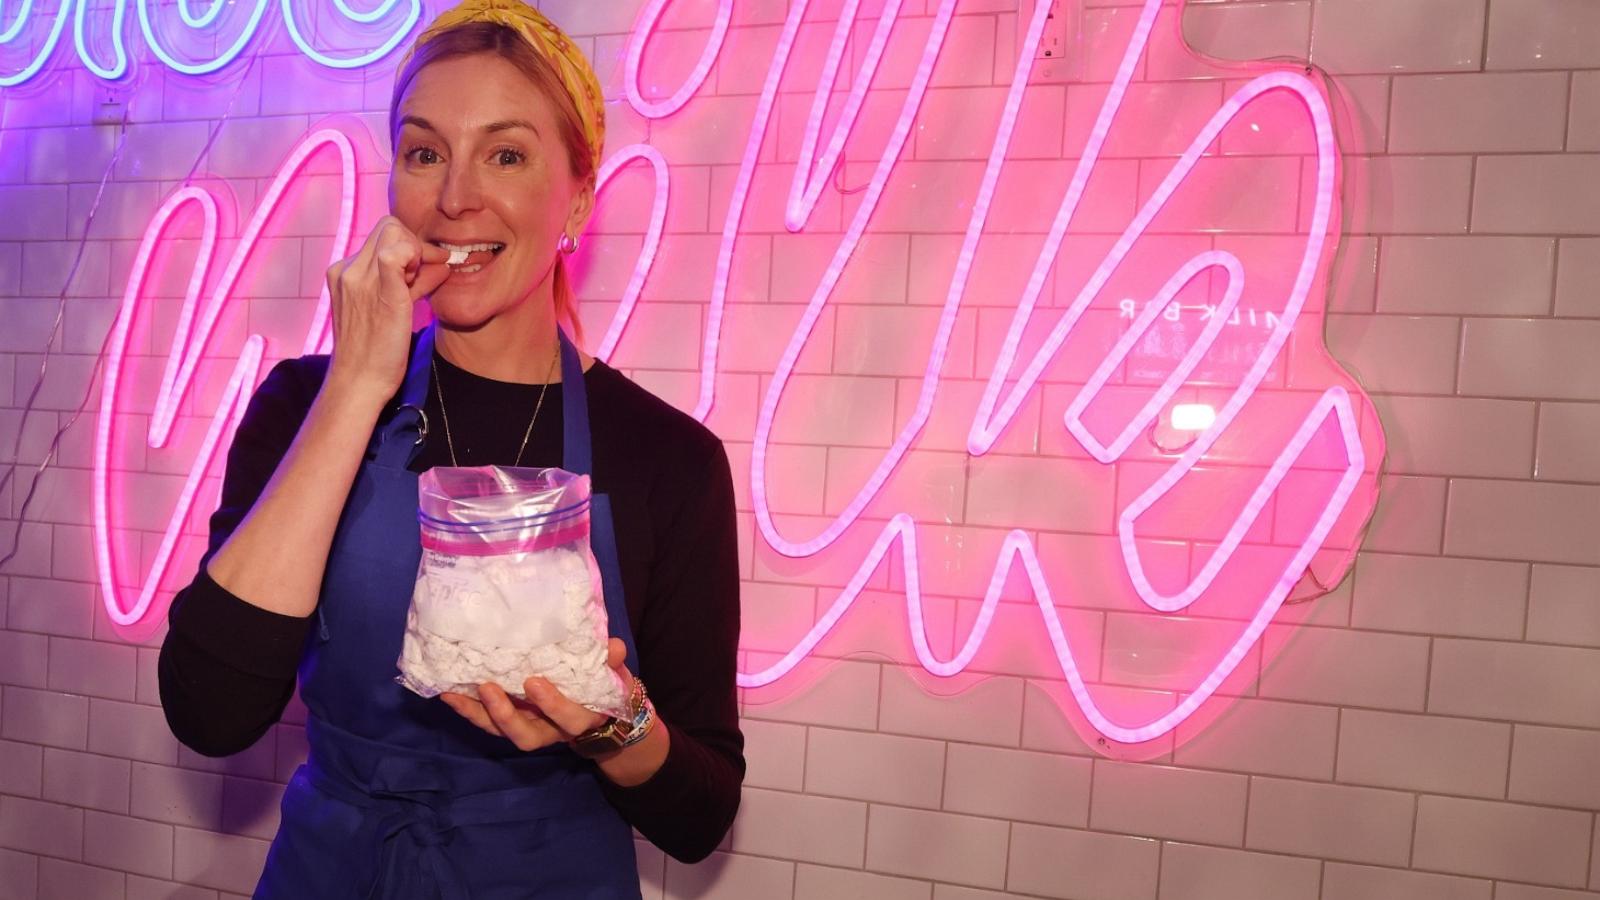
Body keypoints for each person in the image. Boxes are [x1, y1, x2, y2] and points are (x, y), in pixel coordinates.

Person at [155, 1, 744, 896]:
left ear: (578, 195)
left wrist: (611, 724)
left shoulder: (668, 458)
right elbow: (210, 711)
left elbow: (699, 818)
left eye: (506, 154)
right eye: (425, 152)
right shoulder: (303, 405)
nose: (455, 196)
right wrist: (357, 386)